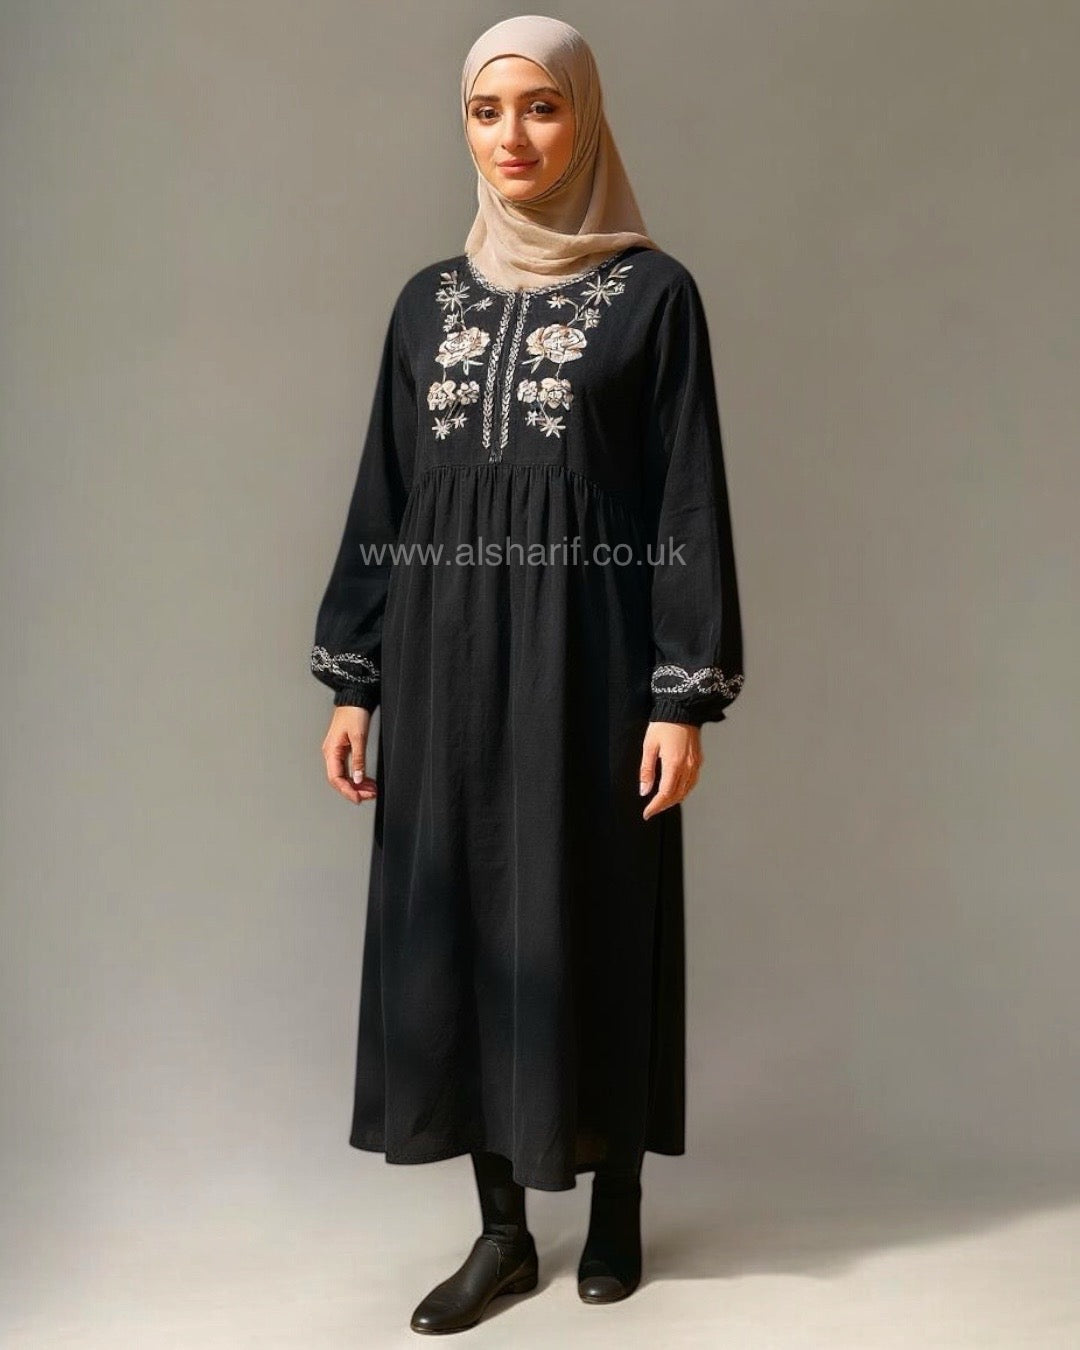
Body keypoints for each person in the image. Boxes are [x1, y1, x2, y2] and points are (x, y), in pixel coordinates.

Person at [310, 14, 744, 1334]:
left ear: (586, 121)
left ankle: (614, 1204)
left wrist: (680, 694)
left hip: (589, 668)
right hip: (443, 669)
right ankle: (501, 1231)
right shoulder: (424, 306)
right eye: (487, 110)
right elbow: (386, 493)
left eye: (542, 108)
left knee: (591, 911)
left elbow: (685, 501)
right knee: (456, 921)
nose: (514, 136)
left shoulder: (653, 296)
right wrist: (356, 675)